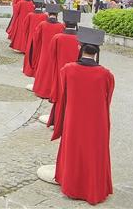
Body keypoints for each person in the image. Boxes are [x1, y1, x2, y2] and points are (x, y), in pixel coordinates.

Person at [51, 27, 114, 205]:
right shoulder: (106, 75)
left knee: (74, 150)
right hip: (97, 122)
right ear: (97, 51)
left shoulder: (68, 70)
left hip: (74, 119)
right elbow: (107, 101)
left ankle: (72, 186)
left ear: (80, 47)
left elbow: (62, 97)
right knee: (94, 152)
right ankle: (94, 189)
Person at [24, 3, 65, 78]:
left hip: (43, 50)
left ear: (48, 14)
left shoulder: (42, 24)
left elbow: (35, 38)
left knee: (43, 65)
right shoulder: (61, 26)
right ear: (57, 15)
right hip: (56, 52)